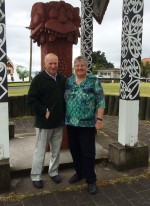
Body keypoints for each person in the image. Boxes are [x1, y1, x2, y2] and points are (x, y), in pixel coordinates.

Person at [64, 56, 105, 195]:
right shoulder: (69, 80)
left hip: (87, 124)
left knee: (88, 153)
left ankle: (91, 180)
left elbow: (101, 101)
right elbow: (65, 98)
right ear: (74, 67)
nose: (80, 68)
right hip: (71, 122)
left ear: (86, 67)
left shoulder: (94, 81)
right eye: (77, 65)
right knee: (74, 150)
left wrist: (99, 120)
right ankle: (79, 173)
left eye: (82, 65)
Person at [27, 53, 66, 188]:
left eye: (55, 63)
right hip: (44, 124)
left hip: (58, 123)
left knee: (56, 151)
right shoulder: (38, 79)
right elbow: (31, 100)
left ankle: (53, 171)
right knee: (40, 151)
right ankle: (36, 176)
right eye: (50, 63)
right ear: (45, 64)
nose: (53, 66)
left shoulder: (62, 79)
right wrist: (44, 111)